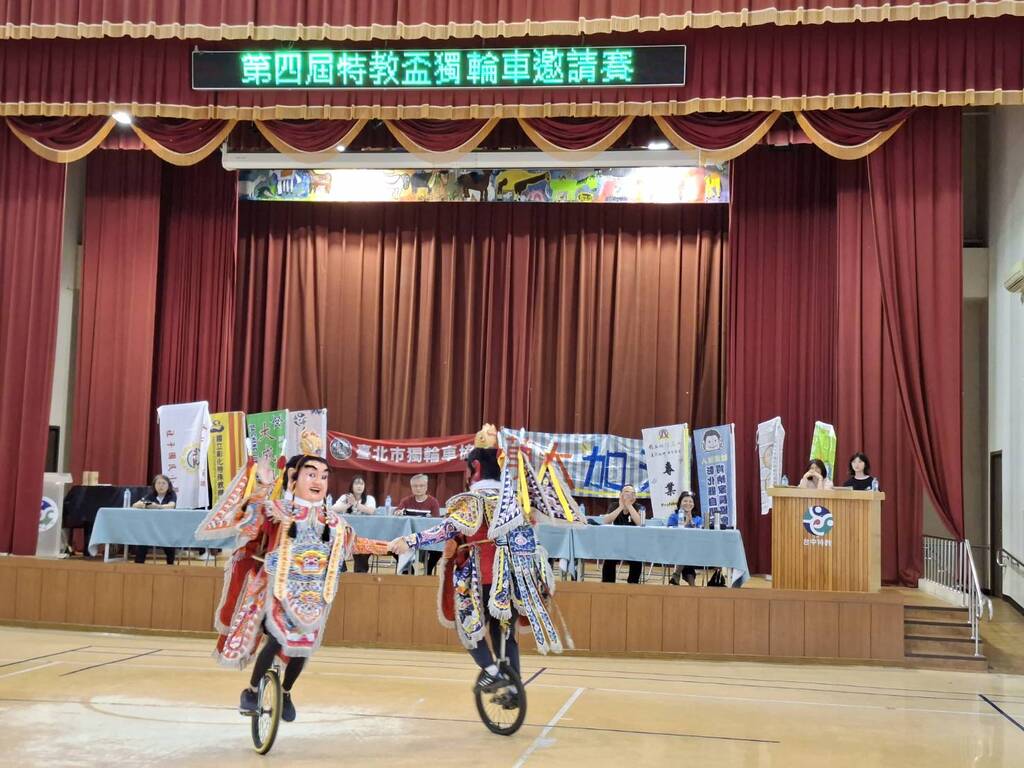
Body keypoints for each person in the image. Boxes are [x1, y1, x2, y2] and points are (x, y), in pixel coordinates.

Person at [195, 454, 389, 722]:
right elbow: (248, 521)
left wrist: (392, 546)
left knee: (303, 646)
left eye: (323, 476)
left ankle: (285, 692)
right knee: (277, 638)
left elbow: (356, 543)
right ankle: (252, 691)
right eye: (311, 475)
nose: (318, 481)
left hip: (310, 596)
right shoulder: (277, 510)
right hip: (273, 590)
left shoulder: (333, 521)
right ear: (294, 480)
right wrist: (262, 486)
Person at [387, 424, 570, 694]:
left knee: (468, 630)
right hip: (513, 579)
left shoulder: (474, 500)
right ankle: (514, 690)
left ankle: (492, 672)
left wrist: (411, 541)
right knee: (505, 634)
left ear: (475, 468)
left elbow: (447, 528)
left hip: (483, 578)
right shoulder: (515, 501)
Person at [397, 473, 442, 575]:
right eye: (415, 486)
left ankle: (428, 569)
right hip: (409, 537)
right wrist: (398, 512)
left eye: (421, 486)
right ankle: (409, 569)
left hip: (427, 537)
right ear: (411, 487)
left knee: (440, 548)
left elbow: (437, 522)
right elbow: (397, 512)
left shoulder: (433, 502)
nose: (418, 488)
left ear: (426, 487)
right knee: (394, 547)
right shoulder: (406, 501)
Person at [600, 485, 645, 584]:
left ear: (635, 496)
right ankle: (608, 585)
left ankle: (632, 585)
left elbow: (640, 523)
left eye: (632, 493)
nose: (629, 495)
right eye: (626, 492)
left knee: (637, 560)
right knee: (609, 559)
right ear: (620, 495)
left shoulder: (639, 507)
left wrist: (629, 506)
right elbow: (606, 521)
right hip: (616, 543)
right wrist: (621, 507)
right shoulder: (614, 505)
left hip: (633, 544)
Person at [331, 475, 376, 572]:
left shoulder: (369, 498)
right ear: (351, 486)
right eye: (356, 483)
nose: (359, 486)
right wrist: (348, 504)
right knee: (336, 545)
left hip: (364, 535)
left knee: (362, 550)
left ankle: (360, 573)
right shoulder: (345, 497)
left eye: (361, 484)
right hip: (345, 534)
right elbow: (333, 509)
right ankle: (342, 572)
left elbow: (371, 511)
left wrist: (355, 503)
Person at [132, 474, 178, 565]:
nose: (161, 486)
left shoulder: (171, 494)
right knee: (142, 540)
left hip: (166, 527)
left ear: (168, 485)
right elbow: (135, 505)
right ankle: (138, 565)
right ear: (154, 485)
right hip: (151, 527)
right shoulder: (151, 495)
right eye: (158, 483)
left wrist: (156, 506)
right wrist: (145, 505)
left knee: (169, 543)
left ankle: (170, 565)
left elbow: (171, 506)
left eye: (163, 483)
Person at [667, 492, 701, 586]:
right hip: (675, 548)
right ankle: (692, 585)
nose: (688, 503)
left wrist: (692, 523)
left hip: (696, 549)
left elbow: (701, 534)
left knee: (686, 550)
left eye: (690, 501)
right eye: (685, 501)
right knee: (684, 550)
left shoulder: (698, 518)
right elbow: (670, 533)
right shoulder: (673, 517)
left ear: (694, 504)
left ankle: (676, 575)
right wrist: (685, 523)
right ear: (680, 503)